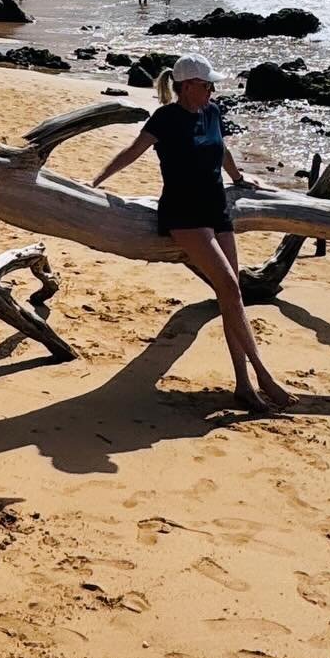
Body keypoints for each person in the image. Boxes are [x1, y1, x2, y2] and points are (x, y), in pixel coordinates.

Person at [93, 55, 290, 412]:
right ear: (186, 87)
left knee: (233, 297)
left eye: (211, 84)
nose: (212, 90)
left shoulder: (212, 112)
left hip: (217, 208)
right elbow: (133, 151)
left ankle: (244, 385)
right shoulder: (166, 118)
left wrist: (240, 179)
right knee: (229, 288)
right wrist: (97, 182)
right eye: (206, 84)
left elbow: (222, 151)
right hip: (184, 214)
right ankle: (263, 375)